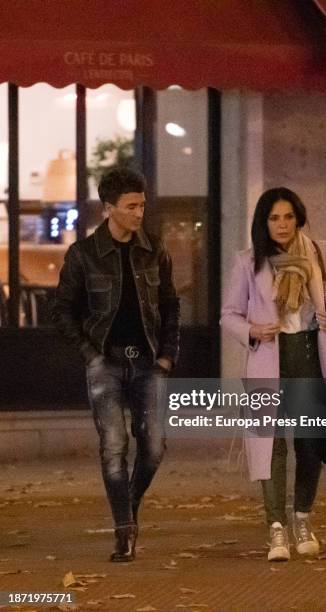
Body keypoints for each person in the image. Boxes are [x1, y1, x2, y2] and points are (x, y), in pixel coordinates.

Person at [221, 187, 326, 562]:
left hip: (310, 357)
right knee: (271, 446)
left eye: (288, 217)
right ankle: (276, 529)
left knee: (309, 445)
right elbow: (229, 314)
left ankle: (302, 518)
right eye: (274, 218)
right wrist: (253, 331)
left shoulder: (319, 252)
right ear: (264, 222)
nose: (282, 224)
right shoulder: (248, 261)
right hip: (269, 362)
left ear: (298, 217)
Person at [52, 167, 180, 562]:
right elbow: (61, 312)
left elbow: (171, 305)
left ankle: (128, 508)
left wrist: (167, 355)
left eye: (142, 204)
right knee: (114, 447)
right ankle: (124, 532)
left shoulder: (154, 248)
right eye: (131, 206)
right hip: (105, 362)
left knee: (154, 448)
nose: (140, 212)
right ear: (109, 209)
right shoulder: (83, 255)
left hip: (148, 362)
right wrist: (90, 355)